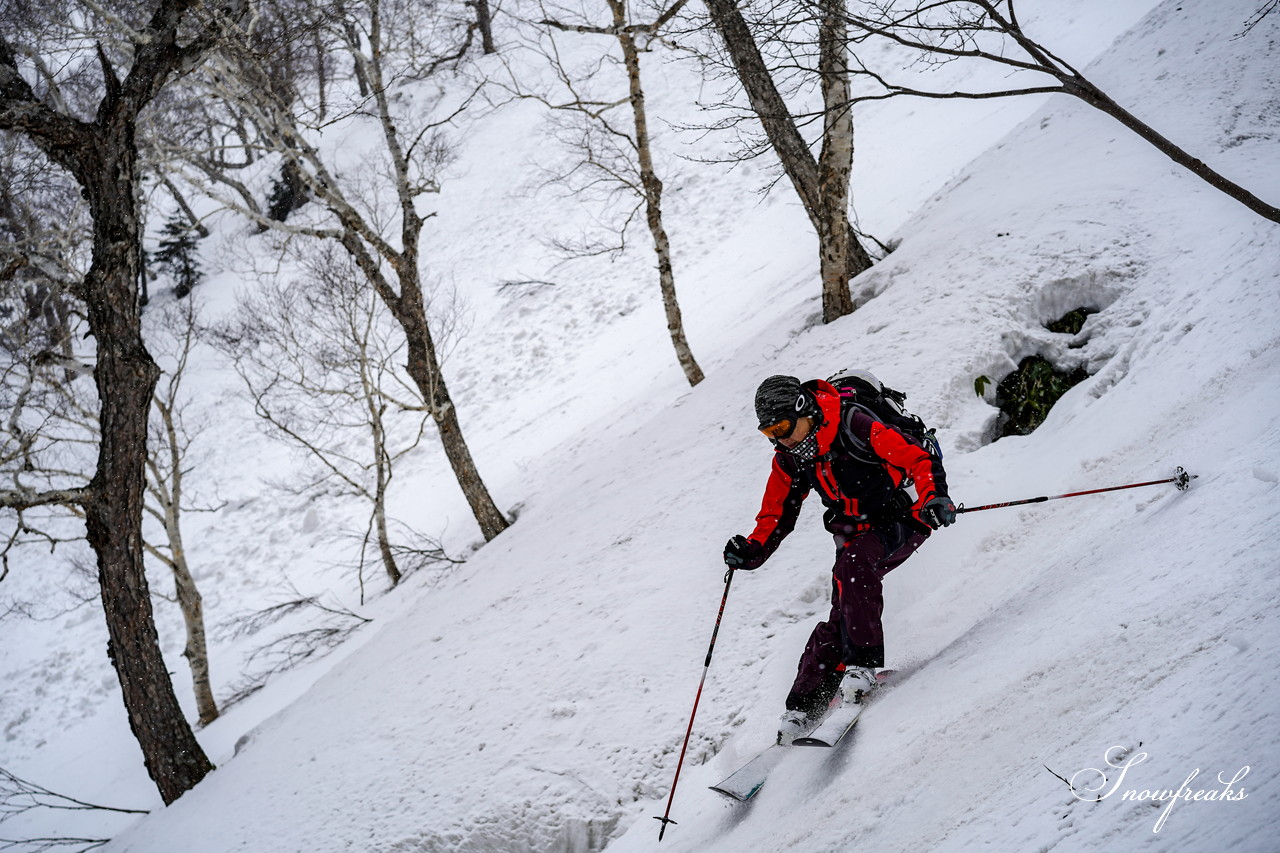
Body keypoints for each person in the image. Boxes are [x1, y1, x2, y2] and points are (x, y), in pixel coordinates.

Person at [723, 373, 956, 744]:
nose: (780, 439)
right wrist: (751, 551)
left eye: (782, 427)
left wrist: (935, 498)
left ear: (803, 410)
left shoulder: (854, 424)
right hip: (852, 530)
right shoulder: (791, 457)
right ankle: (803, 706)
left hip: (903, 516)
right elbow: (776, 515)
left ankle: (861, 668)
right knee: (843, 608)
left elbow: (916, 458)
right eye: (769, 433)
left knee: (853, 570)